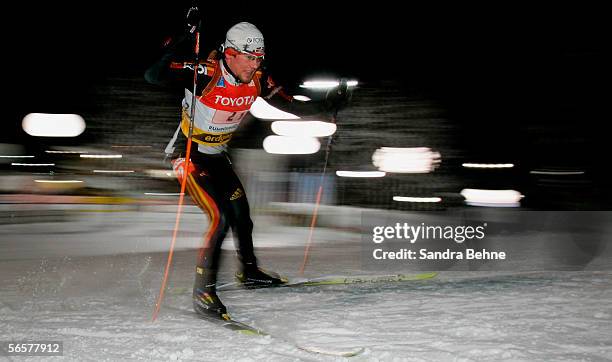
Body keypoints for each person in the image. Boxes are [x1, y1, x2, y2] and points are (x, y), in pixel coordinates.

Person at [145, 21, 292, 320]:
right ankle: (203, 293)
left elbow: (291, 104)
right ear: (231, 53)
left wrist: (329, 104)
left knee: (241, 215)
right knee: (220, 218)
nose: (255, 64)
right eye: (250, 57)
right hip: (189, 155)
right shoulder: (205, 72)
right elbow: (153, 75)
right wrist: (183, 38)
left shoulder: (259, 80)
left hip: (217, 157)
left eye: (259, 58)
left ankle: (249, 273)